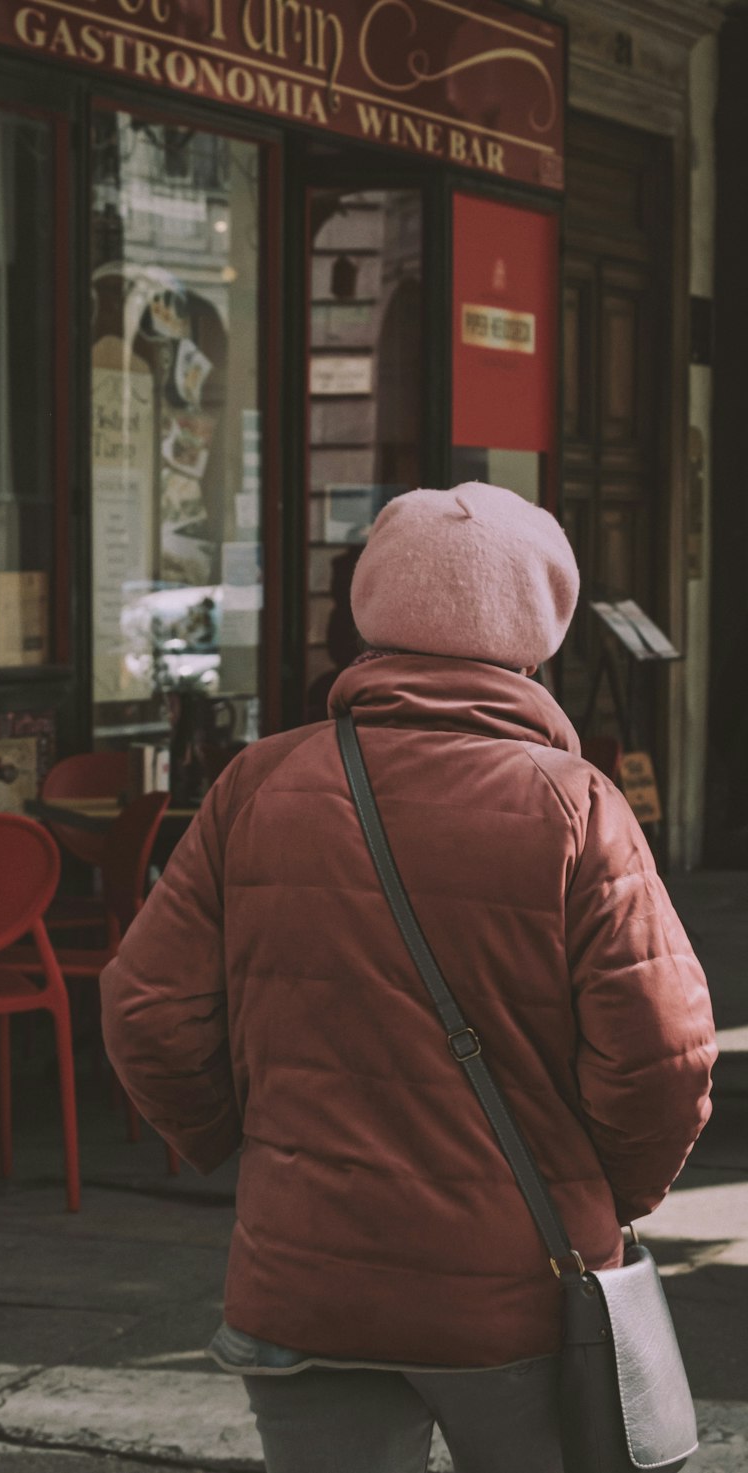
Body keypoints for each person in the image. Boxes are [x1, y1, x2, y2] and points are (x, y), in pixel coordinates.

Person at [100, 482, 716, 1473]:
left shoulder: (257, 783)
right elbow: (662, 1055)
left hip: (300, 1274)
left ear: (371, 608)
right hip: (514, 1284)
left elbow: (145, 1010)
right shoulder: (571, 806)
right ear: (535, 625)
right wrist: (604, 1193)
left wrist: (243, 1145)